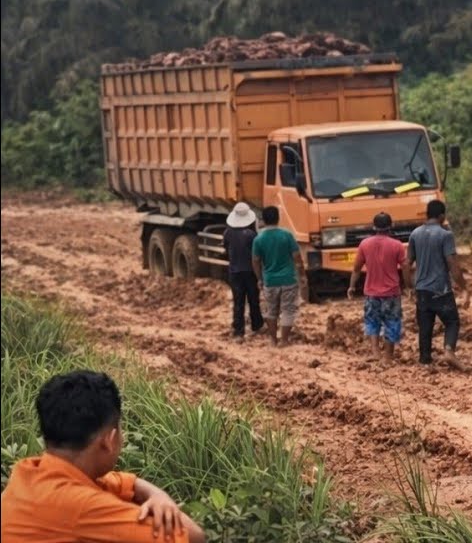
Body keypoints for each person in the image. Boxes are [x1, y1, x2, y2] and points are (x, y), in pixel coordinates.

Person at [1, 370, 207, 543]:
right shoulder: (82, 507)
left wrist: (159, 497)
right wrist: (168, 505)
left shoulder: (29, 470)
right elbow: (194, 536)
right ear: (109, 439)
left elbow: (126, 482)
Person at [408, 200, 470, 368]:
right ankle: (449, 351)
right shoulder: (445, 235)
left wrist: (409, 287)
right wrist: (464, 288)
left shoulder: (415, 234)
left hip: (421, 290)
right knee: (452, 321)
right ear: (442, 216)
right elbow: (453, 266)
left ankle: (425, 360)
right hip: (440, 290)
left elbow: (407, 264)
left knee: (425, 326)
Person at [347, 212, 408, 364]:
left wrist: (352, 286)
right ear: (391, 226)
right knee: (392, 322)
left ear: (374, 227)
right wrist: (408, 285)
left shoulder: (364, 244)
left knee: (372, 321)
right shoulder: (397, 245)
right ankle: (388, 357)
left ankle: (375, 353)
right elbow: (405, 266)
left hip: (371, 292)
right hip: (392, 292)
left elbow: (356, 269)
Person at [252, 205, 307, 346]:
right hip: (288, 279)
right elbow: (297, 258)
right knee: (288, 310)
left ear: (263, 219)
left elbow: (256, 261)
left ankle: (272, 340)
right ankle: (284, 340)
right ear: (278, 218)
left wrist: (259, 279)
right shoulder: (287, 235)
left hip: (270, 281)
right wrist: (302, 275)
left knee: (271, 310)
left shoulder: (258, 239)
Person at [223, 202, 263, 341]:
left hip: (234, 271)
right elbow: (257, 254)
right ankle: (257, 325)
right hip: (250, 272)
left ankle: (238, 331)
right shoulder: (252, 235)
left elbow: (226, 249)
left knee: (238, 301)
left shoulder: (228, 233)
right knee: (253, 300)